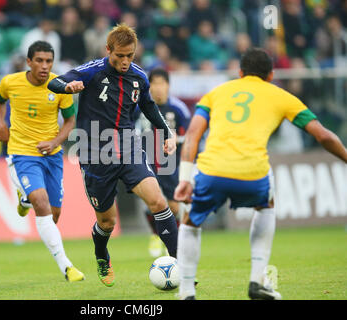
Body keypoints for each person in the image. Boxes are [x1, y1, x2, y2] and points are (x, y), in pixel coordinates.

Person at [174, 48, 347, 300]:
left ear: (240, 72)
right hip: (252, 174)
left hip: (212, 171)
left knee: (190, 223)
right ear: (271, 75)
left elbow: (191, 136)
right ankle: (257, 281)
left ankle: (186, 291)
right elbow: (323, 135)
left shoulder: (215, 93)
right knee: (266, 205)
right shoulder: (282, 96)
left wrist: (185, 180)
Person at [47, 24, 178, 287]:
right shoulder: (93, 71)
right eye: (120, 55)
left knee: (158, 202)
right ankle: (101, 255)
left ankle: (180, 265)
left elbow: (150, 107)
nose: (126, 61)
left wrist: (167, 133)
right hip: (96, 153)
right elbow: (54, 81)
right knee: (107, 222)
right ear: (109, 50)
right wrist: (68, 87)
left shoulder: (139, 77)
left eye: (131, 55)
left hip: (129, 148)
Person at [0, 40, 84, 282]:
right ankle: (67, 267)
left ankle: (25, 199)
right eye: (40, 61)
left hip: (52, 156)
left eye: (49, 61)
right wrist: (1, 123)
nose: (45, 66)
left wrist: (54, 143)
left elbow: (70, 123)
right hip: (22, 153)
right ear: (29, 62)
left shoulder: (59, 86)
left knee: (54, 214)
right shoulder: (10, 82)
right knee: (41, 202)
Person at [138, 68, 191, 258]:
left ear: (168, 85)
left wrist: (177, 140)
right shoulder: (140, 107)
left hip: (170, 163)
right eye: (154, 83)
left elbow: (189, 136)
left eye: (162, 83)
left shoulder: (179, 109)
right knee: (150, 202)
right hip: (145, 161)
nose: (158, 88)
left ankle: (172, 239)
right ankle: (155, 235)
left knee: (173, 206)